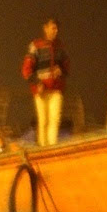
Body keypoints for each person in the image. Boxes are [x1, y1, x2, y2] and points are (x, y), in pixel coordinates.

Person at [22, 17, 69, 147]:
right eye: (53, 28)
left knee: (55, 119)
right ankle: (43, 148)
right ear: (45, 28)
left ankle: (52, 147)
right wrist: (37, 83)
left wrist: (62, 71)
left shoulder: (60, 47)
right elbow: (26, 70)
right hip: (41, 90)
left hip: (56, 89)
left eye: (57, 28)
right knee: (43, 120)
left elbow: (66, 67)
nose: (55, 31)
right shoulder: (36, 46)